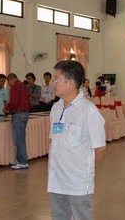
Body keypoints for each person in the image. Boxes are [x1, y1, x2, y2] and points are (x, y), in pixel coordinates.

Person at [48, 60, 106, 220]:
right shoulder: (56, 107)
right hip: (56, 178)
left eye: (56, 79)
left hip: (77, 181)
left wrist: (84, 169)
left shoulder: (88, 111)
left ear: (71, 82)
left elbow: (99, 148)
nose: (54, 83)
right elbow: (53, 139)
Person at [4, 73, 31, 170]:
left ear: (10, 80)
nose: (9, 85)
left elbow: (14, 102)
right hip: (25, 114)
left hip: (18, 115)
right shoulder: (24, 86)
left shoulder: (15, 87)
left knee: (19, 140)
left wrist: (6, 108)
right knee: (21, 138)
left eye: (8, 82)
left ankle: (23, 162)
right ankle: (19, 161)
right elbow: (28, 102)